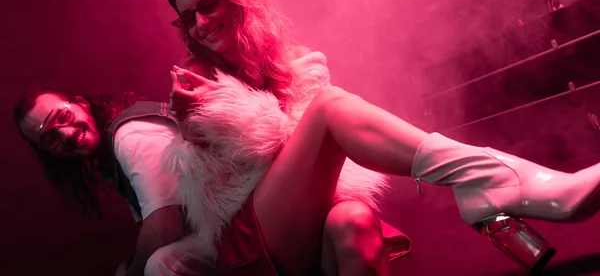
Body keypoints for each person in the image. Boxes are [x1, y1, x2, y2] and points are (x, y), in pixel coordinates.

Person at [163, 0, 600, 275]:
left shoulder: (293, 62)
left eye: (208, 5)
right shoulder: (197, 82)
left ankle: (493, 184)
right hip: (250, 243)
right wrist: (206, 116)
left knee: (353, 220)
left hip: (310, 225)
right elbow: (262, 157)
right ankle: (498, 183)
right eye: (187, 17)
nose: (200, 23)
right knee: (330, 108)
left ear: (238, 1)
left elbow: (326, 162)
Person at [14, 86, 410, 275]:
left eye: (62, 118)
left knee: (159, 266)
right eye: (49, 137)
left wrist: (129, 271)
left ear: (81, 104)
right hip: (260, 215)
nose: (64, 135)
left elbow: (165, 224)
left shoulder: (129, 135)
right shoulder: (114, 156)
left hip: (258, 216)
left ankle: (463, 170)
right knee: (352, 221)